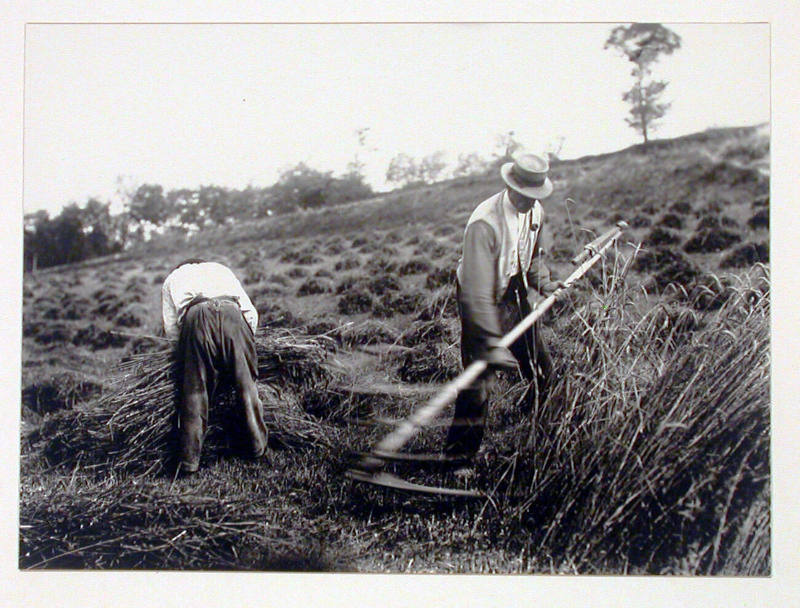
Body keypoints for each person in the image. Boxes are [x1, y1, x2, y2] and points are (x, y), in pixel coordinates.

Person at [444, 152, 562, 462]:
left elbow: (533, 256)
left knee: (541, 367)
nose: (528, 200)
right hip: (478, 296)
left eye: (533, 195)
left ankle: (539, 430)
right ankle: (459, 457)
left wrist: (545, 283)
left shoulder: (535, 211)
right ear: (511, 185)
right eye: (523, 194)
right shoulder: (485, 223)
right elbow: (477, 291)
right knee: (478, 378)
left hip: (514, 290)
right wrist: (488, 340)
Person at [161, 258, 268, 475]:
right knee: (246, 385)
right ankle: (258, 449)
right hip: (232, 312)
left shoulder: (171, 279)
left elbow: (171, 330)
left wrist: (187, 356)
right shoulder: (221, 269)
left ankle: (189, 463)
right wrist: (244, 347)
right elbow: (250, 312)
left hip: (196, 316)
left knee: (195, 391)